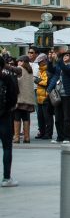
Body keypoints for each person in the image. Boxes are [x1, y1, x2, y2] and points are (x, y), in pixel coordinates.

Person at [0, 55, 19, 187]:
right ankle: (6, 178)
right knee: (7, 147)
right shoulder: (8, 78)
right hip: (5, 117)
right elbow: (13, 98)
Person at [13, 56, 34, 144]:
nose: (18, 63)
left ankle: (17, 137)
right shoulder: (30, 70)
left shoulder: (20, 69)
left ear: (23, 62)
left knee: (17, 117)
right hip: (28, 99)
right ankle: (27, 137)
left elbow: (11, 70)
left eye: (20, 61)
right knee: (26, 118)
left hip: (20, 98)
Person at [35, 54, 53, 140]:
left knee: (47, 117)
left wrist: (36, 80)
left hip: (46, 97)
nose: (38, 64)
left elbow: (46, 83)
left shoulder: (47, 70)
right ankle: (42, 132)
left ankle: (48, 133)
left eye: (40, 62)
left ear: (44, 61)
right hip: (40, 97)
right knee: (40, 117)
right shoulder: (41, 70)